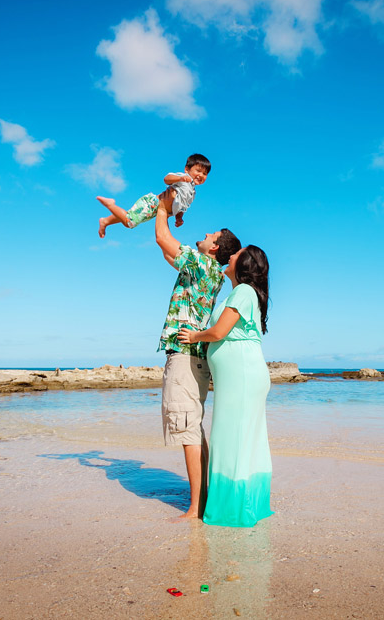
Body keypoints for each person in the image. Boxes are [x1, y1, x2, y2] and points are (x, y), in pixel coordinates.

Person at [154, 190, 241, 520]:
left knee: (188, 430)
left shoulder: (202, 263)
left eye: (211, 235)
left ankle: (196, 507)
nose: (205, 235)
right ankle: (200, 500)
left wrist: (163, 204)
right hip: (194, 359)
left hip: (186, 357)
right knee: (193, 429)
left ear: (214, 248)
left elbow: (163, 238)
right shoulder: (206, 270)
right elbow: (167, 252)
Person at [178, 245, 273, 527]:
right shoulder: (239, 293)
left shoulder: (243, 291)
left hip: (241, 376)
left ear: (243, 263)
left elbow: (220, 332)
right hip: (240, 376)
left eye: (236, 254)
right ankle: (247, 504)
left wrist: (194, 337)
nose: (229, 256)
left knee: (231, 439)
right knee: (241, 439)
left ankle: (232, 510)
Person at [97, 153, 210, 238]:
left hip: (157, 211)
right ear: (187, 169)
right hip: (153, 204)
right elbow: (167, 179)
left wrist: (179, 217)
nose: (201, 175)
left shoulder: (192, 193)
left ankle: (105, 221)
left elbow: (183, 206)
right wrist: (180, 178)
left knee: (129, 216)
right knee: (129, 222)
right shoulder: (184, 178)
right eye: (198, 171)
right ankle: (110, 205)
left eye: (205, 174)